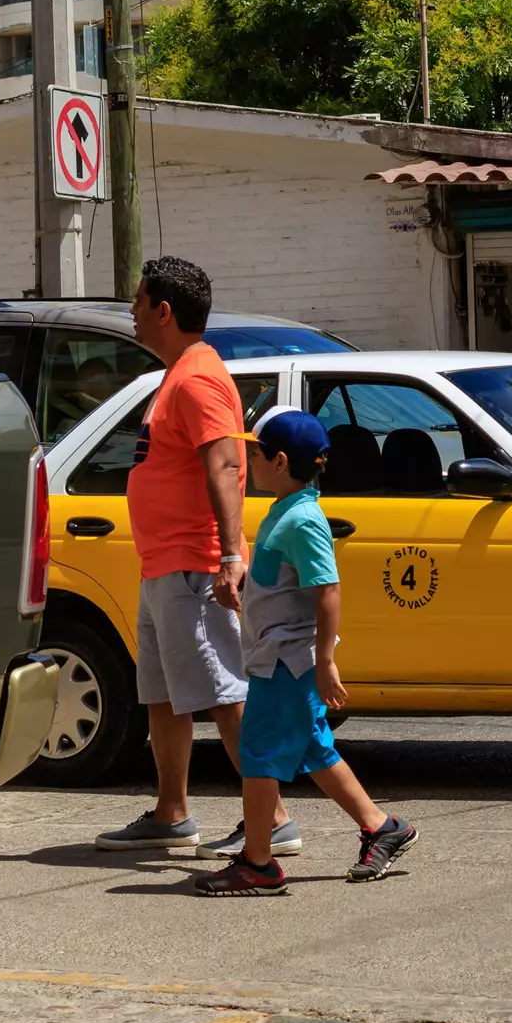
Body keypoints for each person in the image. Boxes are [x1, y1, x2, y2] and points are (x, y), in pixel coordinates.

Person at [95, 257, 298, 859]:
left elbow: (227, 465)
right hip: (164, 564)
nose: (131, 311)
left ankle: (275, 820)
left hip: (194, 565)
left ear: (164, 311)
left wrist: (230, 556)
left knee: (224, 694)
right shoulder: (178, 374)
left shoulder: (199, 378)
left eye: (138, 301)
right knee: (162, 696)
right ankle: (172, 813)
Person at [196, 409, 418, 896]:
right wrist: (244, 589)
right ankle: (382, 827)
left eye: (255, 454)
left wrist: (325, 661)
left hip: (287, 661)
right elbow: (286, 583)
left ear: (279, 461)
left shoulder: (302, 520)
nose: (248, 461)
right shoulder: (285, 510)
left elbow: (328, 589)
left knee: (258, 753)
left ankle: (258, 864)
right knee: (314, 748)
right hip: (278, 656)